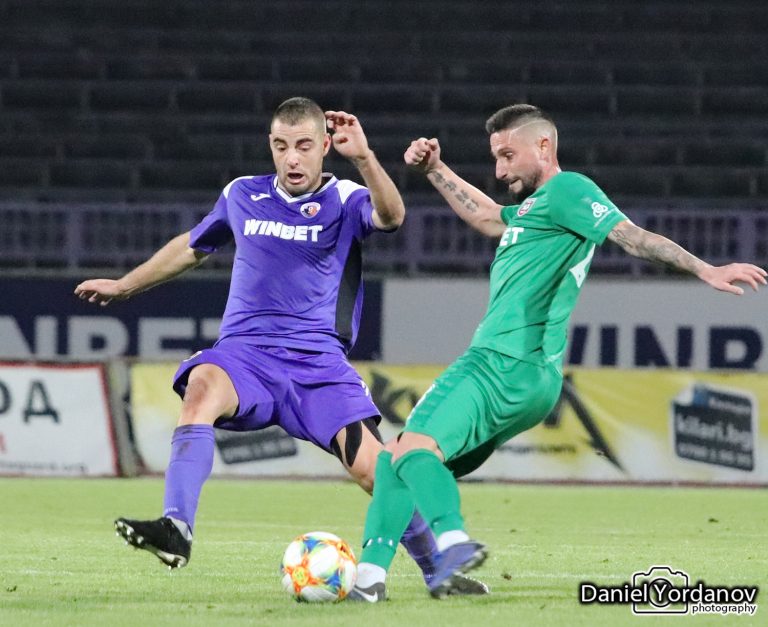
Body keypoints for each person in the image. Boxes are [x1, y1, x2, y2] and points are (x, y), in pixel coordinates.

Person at [347, 104, 767, 602]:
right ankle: (369, 579)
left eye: (508, 155)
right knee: (398, 461)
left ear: (544, 147)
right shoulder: (536, 209)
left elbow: (632, 237)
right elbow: (487, 216)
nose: (500, 169)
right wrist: (435, 169)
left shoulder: (568, 190)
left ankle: (453, 544)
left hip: (499, 361)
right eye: (495, 157)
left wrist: (705, 269)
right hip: (535, 382)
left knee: (413, 449)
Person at [74, 97, 487, 594]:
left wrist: (364, 157)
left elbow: (392, 215)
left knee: (376, 473)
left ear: (324, 147)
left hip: (318, 367)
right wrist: (125, 285)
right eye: (281, 146)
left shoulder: (345, 197)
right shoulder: (241, 194)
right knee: (202, 386)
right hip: (246, 357)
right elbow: (191, 247)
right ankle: (176, 527)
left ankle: (437, 570)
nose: (292, 158)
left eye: (304, 146)